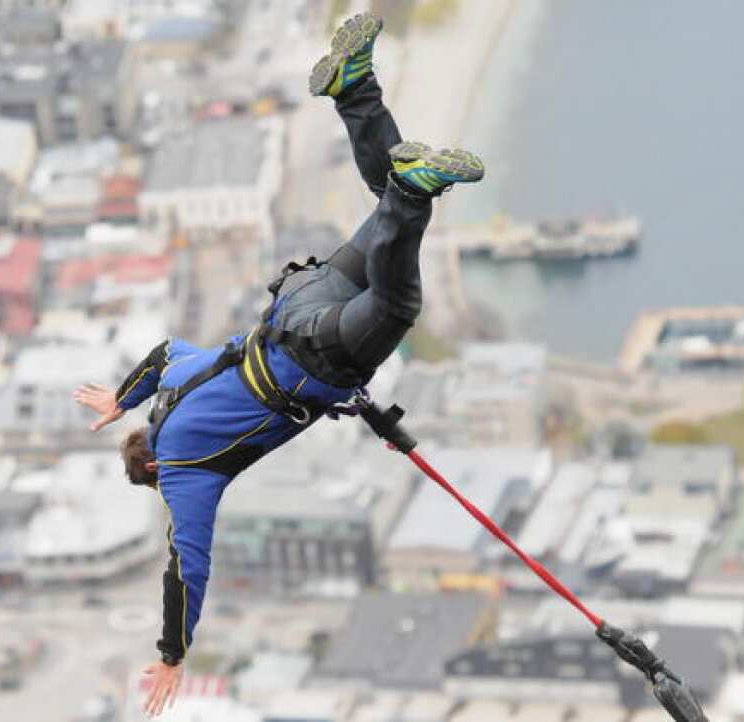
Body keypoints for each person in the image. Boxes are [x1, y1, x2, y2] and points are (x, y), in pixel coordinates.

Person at [73, 12, 483, 716]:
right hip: (293, 303)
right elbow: (166, 350)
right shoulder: (171, 390)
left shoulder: (185, 475)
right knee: (386, 207)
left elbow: (186, 568)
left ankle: (413, 190)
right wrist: (122, 396)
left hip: (317, 356)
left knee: (400, 293)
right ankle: (356, 90)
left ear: (152, 472)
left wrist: (172, 655)